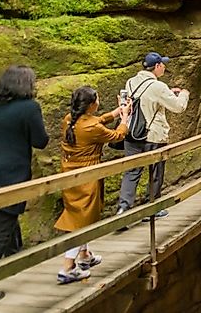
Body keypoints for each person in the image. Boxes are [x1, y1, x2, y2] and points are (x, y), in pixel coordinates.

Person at [55, 86, 130, 284]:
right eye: (96, 100)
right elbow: (117, 135)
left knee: (82, 215)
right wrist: (124, 120)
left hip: (70, 173)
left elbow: (96, 121)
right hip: (87, 176)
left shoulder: (69, 119)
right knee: (80, 222)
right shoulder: (91, 128)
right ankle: (68, 267)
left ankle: (85, 255)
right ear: (91, 105)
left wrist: (116, 112)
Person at [0, 66, 49, 302]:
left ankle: (15, 259)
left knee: (5, 226)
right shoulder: (28, 108)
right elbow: (41, 141)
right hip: (10, 177)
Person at [117, 53, 189, 219]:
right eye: (162, 64)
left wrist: (167, 93)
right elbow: (178, 107)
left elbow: (142, 100)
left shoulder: (130, 82)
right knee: (155, 171)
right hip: (153, 136)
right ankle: (153, 207)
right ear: (157, 66)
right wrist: (184, 93)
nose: (164, 66)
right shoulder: (158, 86)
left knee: (131, 172)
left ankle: (123, 209)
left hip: (132, 134)